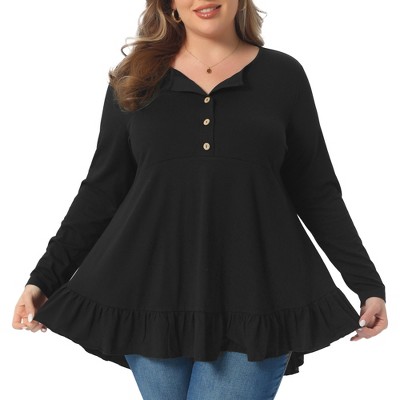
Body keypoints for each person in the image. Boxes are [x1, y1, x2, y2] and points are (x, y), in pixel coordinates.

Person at [12, 1, 388, 399]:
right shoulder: (135, 77)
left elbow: (316, 190)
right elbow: (101, 192)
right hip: (150, 295)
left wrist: (367, 283)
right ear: (170, 5)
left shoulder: (283, 75)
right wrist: (43, 279)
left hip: (258, 295)